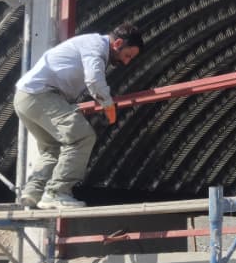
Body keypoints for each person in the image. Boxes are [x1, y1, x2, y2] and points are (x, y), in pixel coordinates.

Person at [13, 23, 144, 209]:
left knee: (52, 148)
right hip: (41, 95)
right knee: (81, 137)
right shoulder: (96, 46)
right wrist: (108, 105)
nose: (126, 62)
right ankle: (57, 192)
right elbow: (94, 80)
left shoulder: (88, 43)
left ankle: (32, 193)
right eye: (127, 55)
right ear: (118, 43)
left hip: (24, 98)